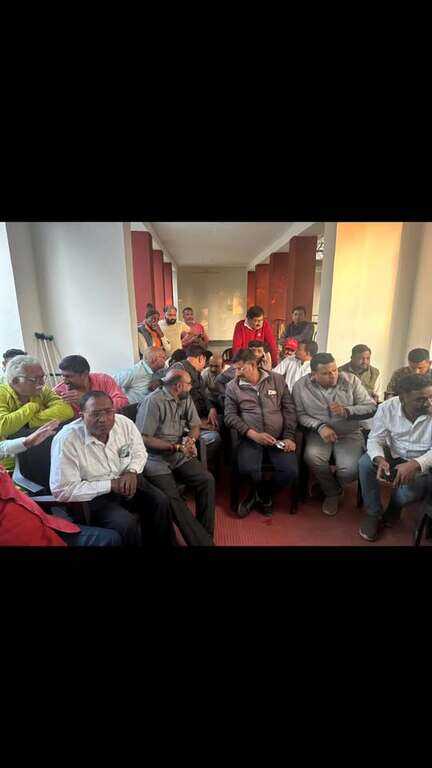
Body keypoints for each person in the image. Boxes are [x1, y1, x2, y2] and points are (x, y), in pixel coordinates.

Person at [50, 391, 174, 547]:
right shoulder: (67, 440)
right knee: (125, 524)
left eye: (109, 412)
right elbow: (62, 490)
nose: (103, 419)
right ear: (82, 416)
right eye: (95, 414)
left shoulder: (124, 424)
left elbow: (139, 451)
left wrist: (132, 471)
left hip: (128, 478)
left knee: (160, 501)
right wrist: (110, 485)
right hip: (96, 496)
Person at [0, 422, 121, 546]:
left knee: (111, 538)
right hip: (21, 536)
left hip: (40, 522)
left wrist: (27, 442)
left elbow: (2, 449)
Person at [136, 368, 215, 546]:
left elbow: (195, 425)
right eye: (189, 384)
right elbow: (144, 438)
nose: (191, 387)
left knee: (206, 480)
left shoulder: (185, 398)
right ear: (178, 386)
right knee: (172, 498)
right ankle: (203, 543)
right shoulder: (153, 402)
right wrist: (176, 447)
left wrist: (191, 440)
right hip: (154, 458)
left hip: (178, 453)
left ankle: (204, 536)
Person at [292, 352, 377, 517]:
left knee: (350, 470)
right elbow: (300, 414)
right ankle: (332, 493)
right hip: (319, 433)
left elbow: (371, 406)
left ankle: (327, 485)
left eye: (335, 370)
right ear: (313, 375)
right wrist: (319, 426)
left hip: (349, 433)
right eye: (325, 373)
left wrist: (348, 410)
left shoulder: (351, 381)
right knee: (312, 457)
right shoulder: (301, 386)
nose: (333, 376)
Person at [358, 373, 432, 542]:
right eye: (421, 399)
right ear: (403, 398)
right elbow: (375, 439)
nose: (428, 403)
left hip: (424, 461)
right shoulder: (387, 408)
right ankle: (373, 513)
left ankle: (394, 508)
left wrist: (415, 464)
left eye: (430, 397)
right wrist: (379, 459)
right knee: (365, 463)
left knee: (408, 493)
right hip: (394, 454)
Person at [224, 350, 298, 517]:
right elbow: (229, 416)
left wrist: (289, 436)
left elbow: (289, 410)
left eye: (241, 369)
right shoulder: (232, 387)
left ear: (253, 365)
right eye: (235, 369)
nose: (237, 373)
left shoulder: (277, 380)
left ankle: (263, 493)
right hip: (250, 439)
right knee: (247, 468)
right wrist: (252, 434)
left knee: (290, 472)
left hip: (278, 438)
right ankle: (258, 495)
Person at [0, 355, 74, 471]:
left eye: (42, 377)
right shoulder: (2, 393)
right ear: (15, 381)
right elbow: (3, 426)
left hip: (39, 456)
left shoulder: (42, 390)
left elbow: (66, 410)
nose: (42, 383)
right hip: (8, 465)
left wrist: (27, 422)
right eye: (34, 379)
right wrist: (32, 407)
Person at [180, 344, 222, 462]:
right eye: (206, 362)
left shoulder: (195, 372)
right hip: (188, 425)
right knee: (215, 437)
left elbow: (204, 394)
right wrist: (198, 424)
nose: (206, 367)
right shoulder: (182, 374)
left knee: (223, 421)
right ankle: (195, 461)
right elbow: (180, 409)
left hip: (200, 415)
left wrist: (211, 408)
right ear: (201, 358)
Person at [54, 355, 129, 416]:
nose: (65, 381)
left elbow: (123, 402)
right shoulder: (59, 392)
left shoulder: (104, 380)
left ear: (84, 374)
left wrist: (87, 400)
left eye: (69, 376)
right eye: (63, 376)